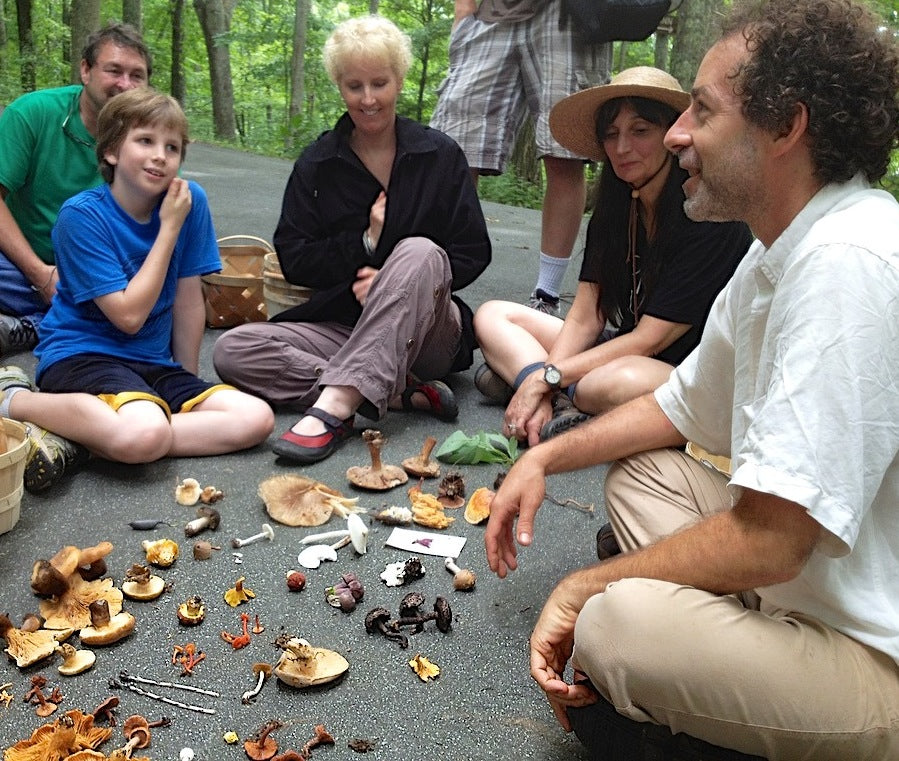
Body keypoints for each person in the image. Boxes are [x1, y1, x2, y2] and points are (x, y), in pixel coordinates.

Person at [484, 0, 899, 756]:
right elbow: (677, 408)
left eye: (699, 111)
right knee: (639, 476)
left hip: (872, 645)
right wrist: (541, 456)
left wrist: (580, 588)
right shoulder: (774, 250)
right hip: (802, 579)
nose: (676, 133)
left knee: (614, 623)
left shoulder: (848, 261)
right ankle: (713, 677)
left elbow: (772, 541)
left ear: (785, 128)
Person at [213, 15, 491, 465]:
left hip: (430, 334)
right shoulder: (319, 164)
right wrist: (361, 243)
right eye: (354, 85)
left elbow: (473, 250)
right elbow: (295, 257)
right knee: (233, 350)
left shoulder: (439, 155)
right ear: (338, 86)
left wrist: (396, 283)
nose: (368, 99)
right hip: (345, 326)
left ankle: (336, 406)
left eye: (379, 83)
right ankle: (395, 392)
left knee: (418, 251)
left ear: (398, 81)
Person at [0, 88, 275, 493]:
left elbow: (187, 298)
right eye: (144, 141)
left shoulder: (188, 200)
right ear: (111, 151)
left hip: (150, 363)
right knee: (145, 433)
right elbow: (128, 317)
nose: (160, 155)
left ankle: (85, 441)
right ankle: (14, 399)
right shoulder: (81, 217)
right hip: (82, 355)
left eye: (172, 146)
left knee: (255, 418)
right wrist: (167, 230)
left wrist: (185, 378)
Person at [473, 67, 751, 447]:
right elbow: (587, 314)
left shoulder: (707, 213)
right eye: (611, 134)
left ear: (671, 135)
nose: (622, 148)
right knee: (493, 315)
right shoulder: (615, 208)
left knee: (605, 382)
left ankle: (529, 382)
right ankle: (553, 401)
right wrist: (550, 377)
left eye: (640, 131)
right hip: (624, 347)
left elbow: (648, 341)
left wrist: (546, 376)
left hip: (690, 368)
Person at [430, 0, 610, 315]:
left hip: (568, 14)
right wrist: (464, 11)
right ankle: (433, 287)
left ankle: (546, 297)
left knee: (564, 151)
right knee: (454, 154)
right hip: (488, 12)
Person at [0, 22, 151, 358]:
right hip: (22, 264)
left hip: (101, 272)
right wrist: (40, 274)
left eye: (136, 75)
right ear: (86, 70)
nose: (124, 84)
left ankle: (34, 327)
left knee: (154, 286)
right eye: (114, 70)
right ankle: (77, 323)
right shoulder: (33, 113)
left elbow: (159, 223)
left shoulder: (151, 138)